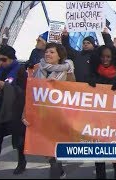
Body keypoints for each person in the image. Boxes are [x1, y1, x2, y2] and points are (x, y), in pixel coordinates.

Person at [22, 43, 75, 179]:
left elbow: (74, 89)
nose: (47, 54)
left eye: (52, 52)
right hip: (41, 115)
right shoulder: (38, 69)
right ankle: (58, 169)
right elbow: (31, 94)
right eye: (46, 52)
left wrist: (57, 86)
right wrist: (25, 113)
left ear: (59, 56)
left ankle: (56, 173)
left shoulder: (67, 70)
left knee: (53, 148)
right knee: (47, 150)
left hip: (58, 116)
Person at [88, 45, 116, 179]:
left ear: (113, 58)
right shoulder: (93, 71)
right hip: (97, 117)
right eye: (102, 56)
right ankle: (100, 175)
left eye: (108, 57)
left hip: (115, 117)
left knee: (114, 146)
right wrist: (91, 82)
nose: (105, 59)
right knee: (98, 147)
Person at [0, 45, 27, 179]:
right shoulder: (0, 70)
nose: (1, 63)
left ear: (12, 59)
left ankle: (22, 161)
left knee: (19, 142)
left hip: (15, 112)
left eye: (4, 60)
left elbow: (23, 92)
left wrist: (7, 87)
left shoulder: (21, 70)